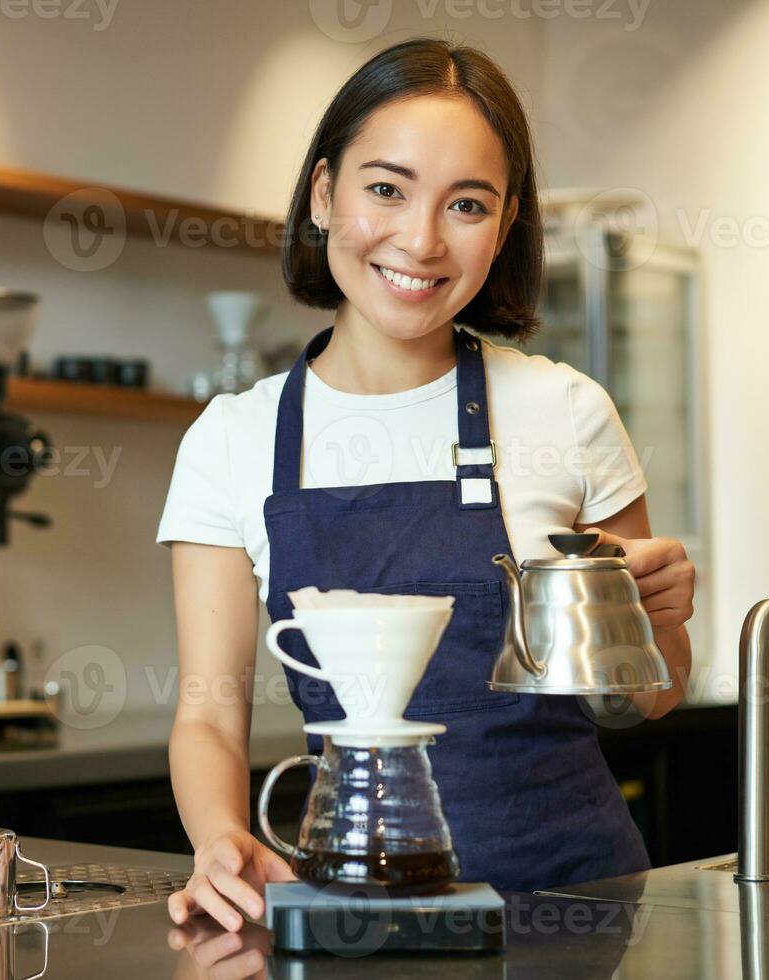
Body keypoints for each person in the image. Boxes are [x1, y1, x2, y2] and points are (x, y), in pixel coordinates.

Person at [156, 37, 695, 932]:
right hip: (357, 908)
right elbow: (209, 717)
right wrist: (219, 837)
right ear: (324, 194)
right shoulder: (232, 439)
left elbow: (652, 693)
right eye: (385, 188)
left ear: (506, 223)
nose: (421, 239)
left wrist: (661, 620)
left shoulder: (569, 410)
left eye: (468, 204)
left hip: (574, 910)